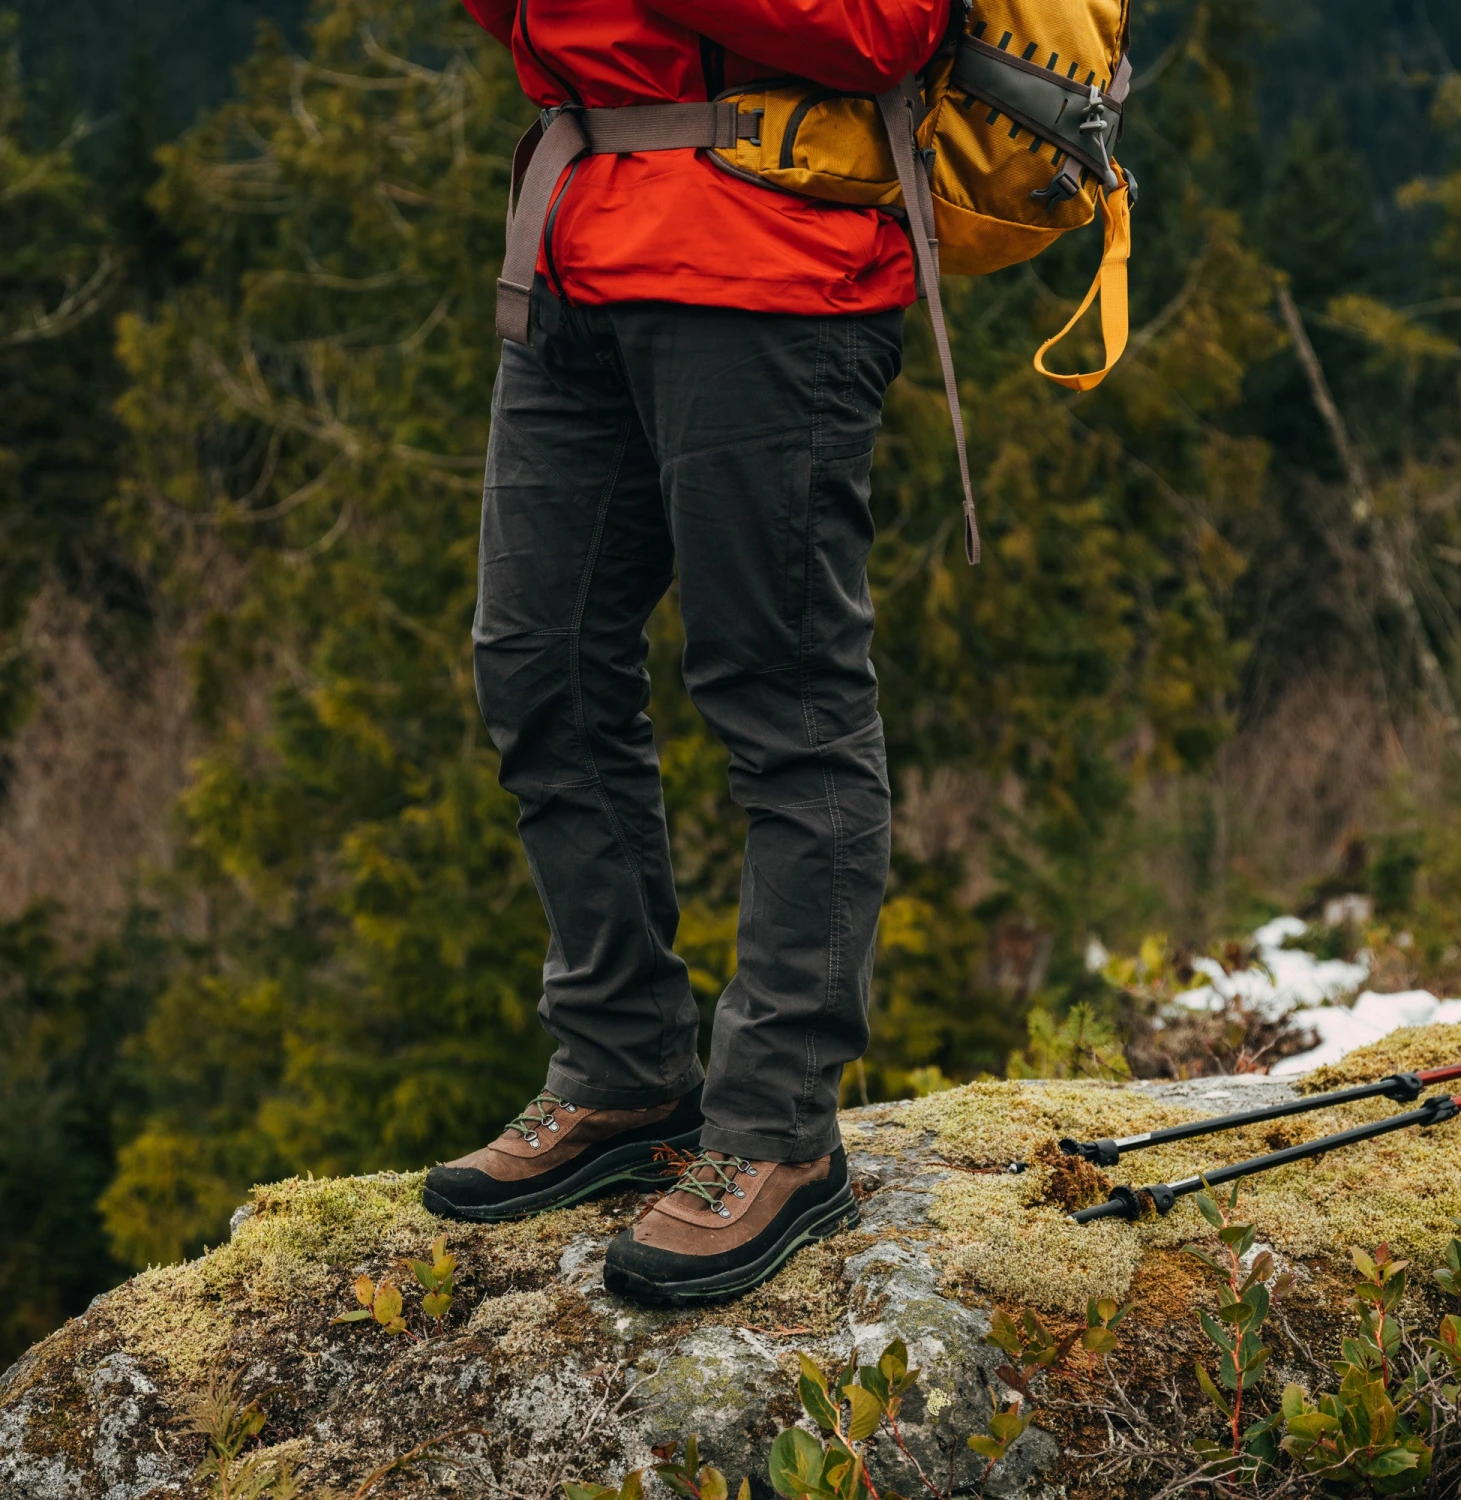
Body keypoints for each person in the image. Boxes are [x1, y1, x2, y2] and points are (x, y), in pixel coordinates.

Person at [422, 0, 950, 1306]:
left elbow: (884, 27)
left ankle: (779, 1127)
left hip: (770, 258)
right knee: (538, 665)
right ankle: (622, 1067)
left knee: (785, 699)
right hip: (578, 238)